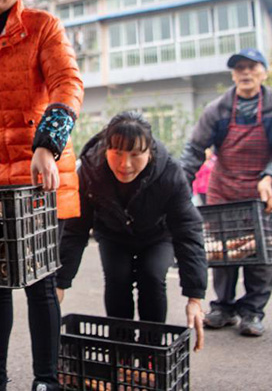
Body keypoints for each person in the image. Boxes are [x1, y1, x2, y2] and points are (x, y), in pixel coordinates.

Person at [0, 0, 84, 391]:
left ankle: (46, 381)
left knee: (39, 282)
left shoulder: (42, 26)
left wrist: (48, 145)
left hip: (37, 176)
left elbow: (68, 83)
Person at [56, 112, 207, 352]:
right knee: (117, 279)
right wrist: (60, 283)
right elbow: (76, 229)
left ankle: (151, 352)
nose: (125, 164)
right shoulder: (89, 171)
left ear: (150, 152)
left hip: (157, 235)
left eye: (136, 155)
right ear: (106, 148)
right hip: (112, 234)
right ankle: (122, 351)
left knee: (152, 276)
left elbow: (188, 231)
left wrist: (195, 297)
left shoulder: (170, 173)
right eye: (117, 153)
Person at [180, 48, 272, 337]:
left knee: (260, 254)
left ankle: (252, 312)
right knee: (223, 252)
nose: (245, 72)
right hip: (225, 187)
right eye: (239, 68)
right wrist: (180, 187)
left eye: (252, 67)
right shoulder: (217, 109)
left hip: (264, 190)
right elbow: (195, 150)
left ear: (264, 72)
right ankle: (223, 307)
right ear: (233, 75)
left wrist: (270, 177)